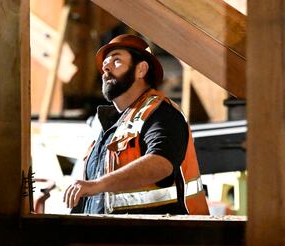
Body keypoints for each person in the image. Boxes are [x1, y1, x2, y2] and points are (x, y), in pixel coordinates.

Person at [63, 34, 209, 215]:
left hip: (160, 238)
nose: (106, 67)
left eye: (116, 60)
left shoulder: (161, 113)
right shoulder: (109, 126)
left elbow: (161, 163)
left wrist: (97, 185)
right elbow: (91, 193)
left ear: (141, 69)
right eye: (104, 64)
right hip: (111, 238)